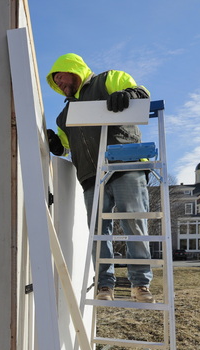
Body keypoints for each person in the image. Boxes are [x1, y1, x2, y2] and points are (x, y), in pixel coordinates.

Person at [46, 52, 155, 303]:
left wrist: (128, 96)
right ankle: (105, 285)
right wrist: (54, 143)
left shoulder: (107, 80)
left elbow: (141, 92)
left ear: (74, 70)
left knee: (134, 223)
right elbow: (65, 147)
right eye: (57, 83)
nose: (61, 84)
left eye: (62, 78)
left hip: (124, 165)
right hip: (91, 176)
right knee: (98, 233)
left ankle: (140, 285)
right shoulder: (65, 115)